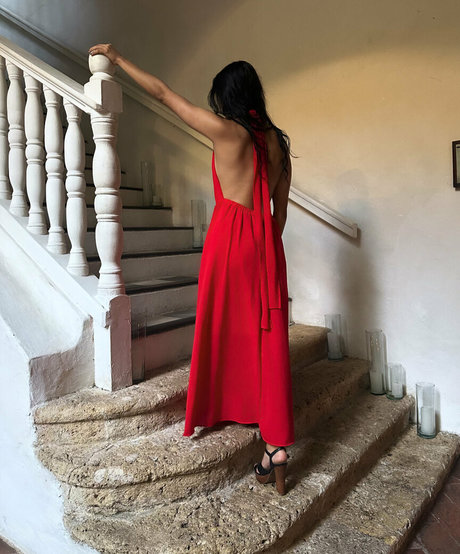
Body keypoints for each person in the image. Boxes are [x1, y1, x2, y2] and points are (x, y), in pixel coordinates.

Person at [88, 44, 295, 495]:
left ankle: (217, 405)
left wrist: (118, 59)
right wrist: (264, 247)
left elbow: (163, 94)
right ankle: (275, 444)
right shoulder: (279, 144)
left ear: (229, 98)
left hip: (229, 236)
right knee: (267, 333)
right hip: (265, 244)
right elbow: (279, 215)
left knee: (221, 324)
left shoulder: (227, 131)